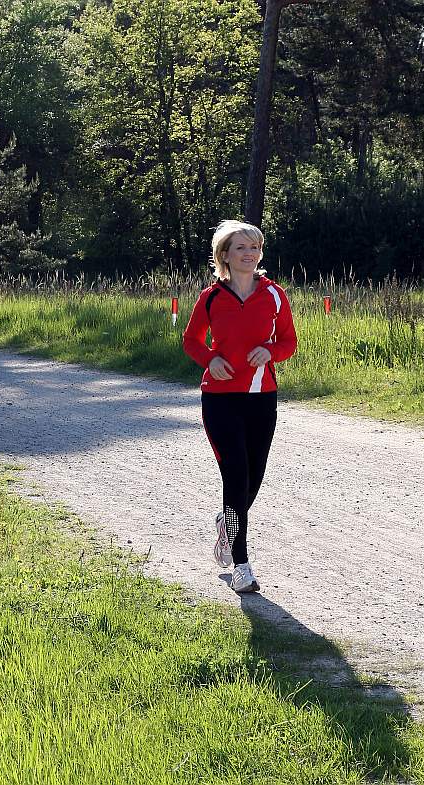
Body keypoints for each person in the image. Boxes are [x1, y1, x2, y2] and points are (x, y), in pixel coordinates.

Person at [182, 220, 297, 593]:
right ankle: (241, 566)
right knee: (235, 476)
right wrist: (210, 358)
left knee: (254, 477)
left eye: (255, 247)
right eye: (241, 247)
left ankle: (227, 523)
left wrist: (271, 351)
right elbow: (191, 340)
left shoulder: (275, 294)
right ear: (225, 255)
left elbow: (289, 342)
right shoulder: (211, 297)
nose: (249, 254)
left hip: (262, 397)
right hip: (220, 399)